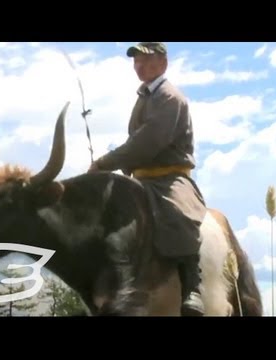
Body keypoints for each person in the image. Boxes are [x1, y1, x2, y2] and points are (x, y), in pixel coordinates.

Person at [87, 42, 207, 316]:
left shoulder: (169, 97)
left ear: (163, 63)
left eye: (147, 60)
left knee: (177, 214)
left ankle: (192, 288)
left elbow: (147, 142)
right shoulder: (145, 97)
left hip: (168, 179)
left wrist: (105, 162)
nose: (140, 66)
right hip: (139, 178)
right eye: (137, 61)